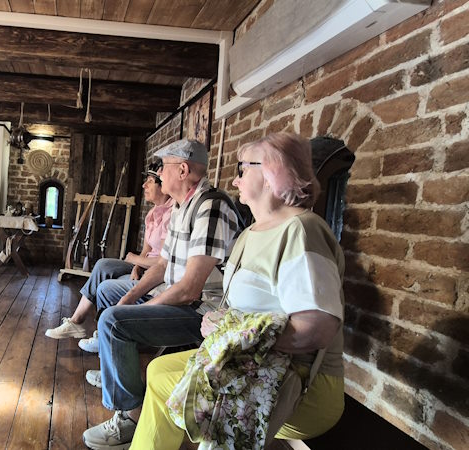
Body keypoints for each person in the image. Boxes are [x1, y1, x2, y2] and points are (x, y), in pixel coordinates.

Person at [130, 132, 345, 449]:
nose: (235, 179)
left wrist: (230, 333)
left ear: (272, 173)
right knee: (159, 369)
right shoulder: (250, 234)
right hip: (253, 362)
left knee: (166, 384)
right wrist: (219, 321)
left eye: (243, 168)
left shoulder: (302, 230)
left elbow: (317, 329)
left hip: (298, 380)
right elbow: (238, 308)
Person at [83, 139, 241, 450]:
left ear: (182, 170)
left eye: (163, 167)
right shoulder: (182, 207)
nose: (158, 174)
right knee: (115, 302)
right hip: (179, 298)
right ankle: (119, 376)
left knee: (115, 322)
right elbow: (162, 266)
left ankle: (129, 419)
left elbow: (190, 288)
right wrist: (130, 299)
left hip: (204, 313)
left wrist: (137, 309)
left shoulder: (211, 206)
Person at [45, 162, 174, 353]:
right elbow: (147, 250)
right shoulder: (153, 213)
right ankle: (76, 322)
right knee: (103, 265)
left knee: (105, 284)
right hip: (144, 266)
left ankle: (103, 333)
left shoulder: (171, 214)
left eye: (149, 181)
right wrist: (136, 266)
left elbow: (162, 261)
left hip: (158, 272)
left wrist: (133, 259)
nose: (144, 185)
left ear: (162, 185)